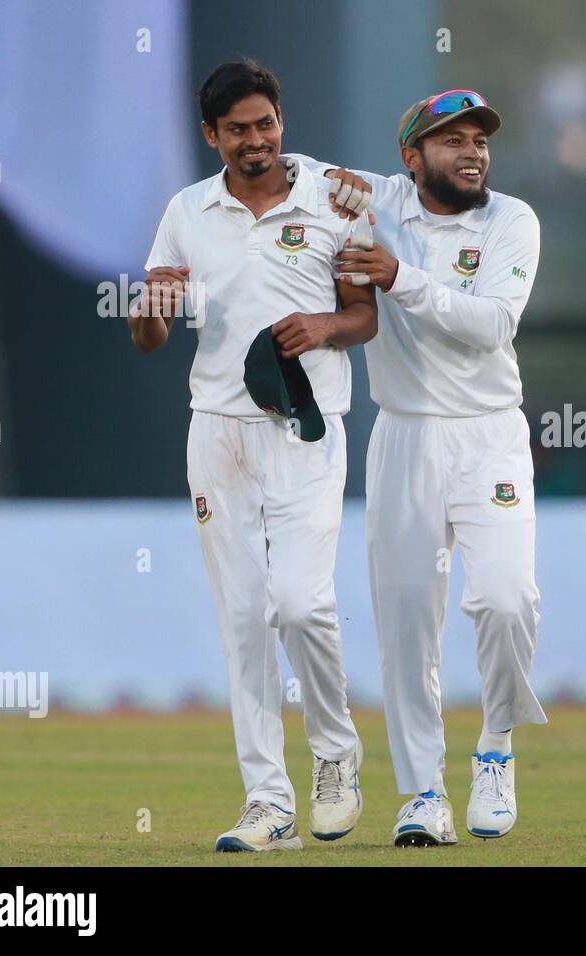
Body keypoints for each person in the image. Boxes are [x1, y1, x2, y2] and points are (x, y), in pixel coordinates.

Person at [128, 60, 377, 851]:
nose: (256, 139)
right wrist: (149, 311)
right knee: (243, 618)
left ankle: (337, 758)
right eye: (237, 129)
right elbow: (150, 336)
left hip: (305, 426)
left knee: (301, 604)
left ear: (280, 120)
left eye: (265, 122)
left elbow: (363, 316)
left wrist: (324, 326)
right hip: (219, 431)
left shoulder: (335, 199)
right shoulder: (187, 211)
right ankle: (268, 804)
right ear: (212, 136)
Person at [289, 88, 546, 845]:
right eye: (452, 140)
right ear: (412, 157)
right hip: (404, 437)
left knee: (506, 599)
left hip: (490, 433)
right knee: (406, 622)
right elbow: (295, 168)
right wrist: (321, 180)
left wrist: (401, 277)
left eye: (480, 140)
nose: (472, 151)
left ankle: (496, 747)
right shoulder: (382, 201)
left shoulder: (513, 221)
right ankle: (423, 793)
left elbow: (493, 324)